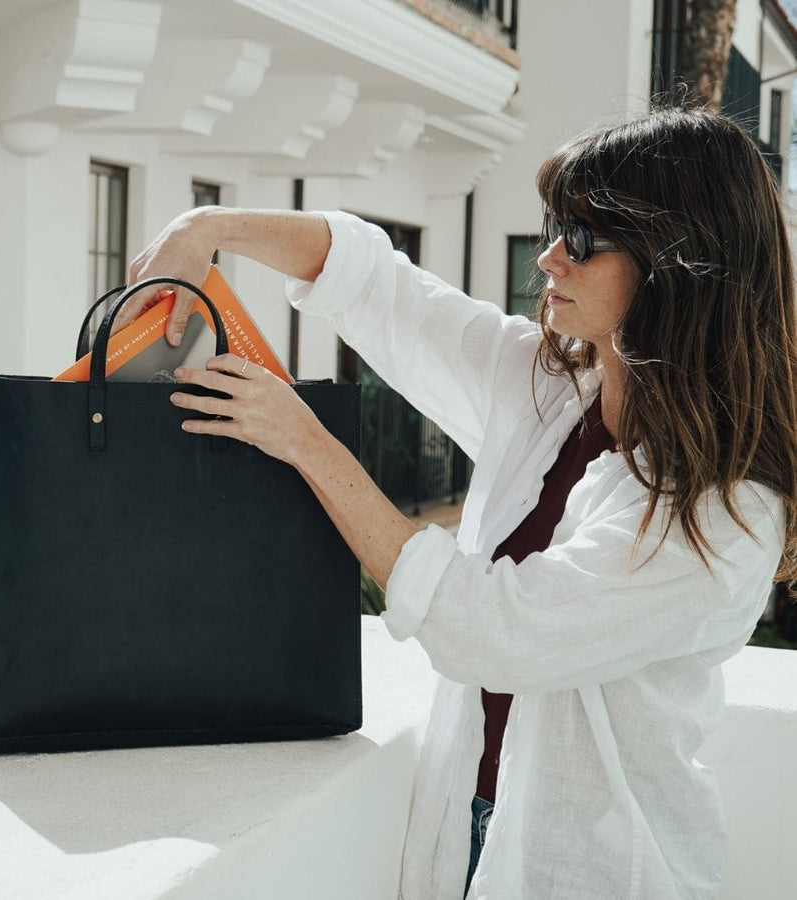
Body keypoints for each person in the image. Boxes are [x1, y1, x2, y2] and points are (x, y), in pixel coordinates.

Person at [118, 106, 797, 899]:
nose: (548, 258)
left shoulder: (725, 513)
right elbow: (383, 289)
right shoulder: (551, 390)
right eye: (555, 227)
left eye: (580, 240)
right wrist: (208, 227)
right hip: (461, 827)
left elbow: (496, 629)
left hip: (595, 868)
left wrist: (306, 442)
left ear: (675, 267)